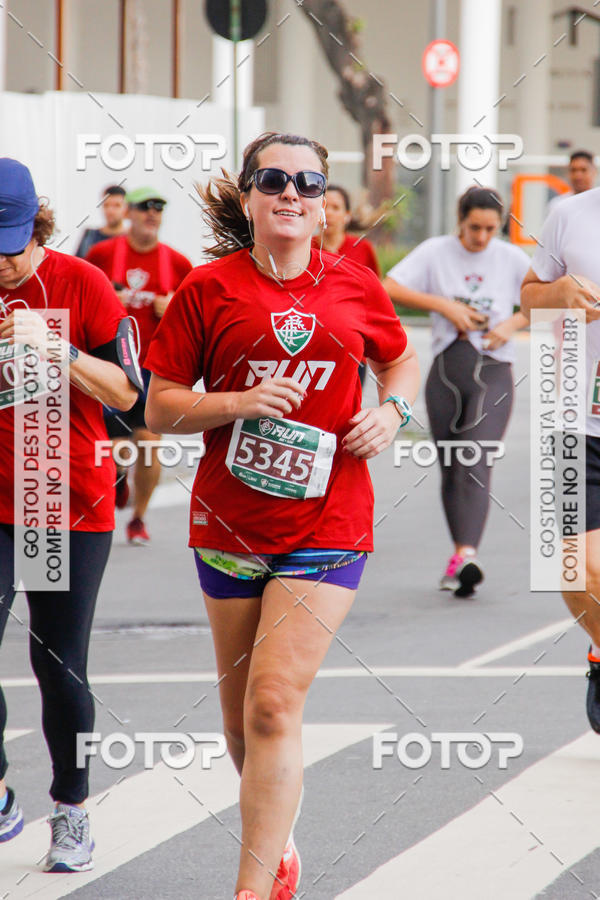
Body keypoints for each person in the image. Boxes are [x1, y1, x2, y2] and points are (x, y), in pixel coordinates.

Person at [144, 131, 419, 900]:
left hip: (329, 525)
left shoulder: (356, 283)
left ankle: (253, 887)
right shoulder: (208, 290)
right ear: (248, 196)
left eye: (308, 181)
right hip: (229, 526)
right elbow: (160, 405)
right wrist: (237, 402)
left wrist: (393, 410)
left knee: (272, 706)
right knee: (240, 728)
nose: (291, 192)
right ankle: (280, 830)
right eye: (273, 179)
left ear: (327, 201)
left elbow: (399, 356)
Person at [0, 159, 139, 867]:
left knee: (57, 663)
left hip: (59, 498)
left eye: (11, 248)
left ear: (37, 228)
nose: (1, 265)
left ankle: (72, 810)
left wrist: (57, 348)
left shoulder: (81, 283)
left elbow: (128, 394)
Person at [383, 187, 530, 598]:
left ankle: (468, 553)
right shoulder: (436, 251)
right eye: (473, 228)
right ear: (459, 219)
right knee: (452, 465)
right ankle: (459, 555)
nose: (481, 237)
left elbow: (544, 298)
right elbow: (388, 286)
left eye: (490, 228)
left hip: (495, 370)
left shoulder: (511, 258)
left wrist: (511, 325)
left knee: (475, 457)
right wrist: (444, 306)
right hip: (447, 370)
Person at [521, 186, 600, 733]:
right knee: (571, 564)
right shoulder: (571, 214)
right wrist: (562, 292)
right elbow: (528, 297)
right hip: (575, 418)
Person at [86, 187, 192, 544]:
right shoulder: (102, 254)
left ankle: (138, 518)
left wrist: (173, 305)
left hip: (151, 369)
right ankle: (117, 473)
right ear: (128, 214)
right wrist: (103, 298)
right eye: (145, 208)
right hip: (108, 365)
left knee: (148, 444)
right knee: (111, 445)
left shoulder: (176, 262)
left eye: (158, 209)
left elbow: (197, 312)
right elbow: (74, 291)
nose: (152, 214)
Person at [312, 184, 380, 388]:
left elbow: (375, 298)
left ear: (347, 215)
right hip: (313, 347)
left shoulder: (362, 248)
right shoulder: (303, 247)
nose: (329, 213)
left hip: (353, 349)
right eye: (323, 207)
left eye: (336, 207)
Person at [74, 184, 128, 258]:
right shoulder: (90, 236)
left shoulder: (132, 240)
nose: (110, 211)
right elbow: (78, 264)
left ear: (127, 208)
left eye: (117, 205)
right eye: (106, 205)